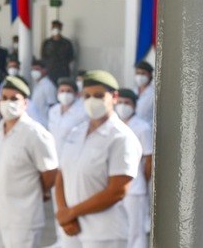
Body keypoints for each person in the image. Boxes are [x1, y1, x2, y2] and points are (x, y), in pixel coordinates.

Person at [55, 70, 143, 248]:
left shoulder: (121, 137)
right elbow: (61, 175)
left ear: (114, 97)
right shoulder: (76, 132)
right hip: (72, 229)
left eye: (98, 95)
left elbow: (117, 191)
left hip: (105, 234)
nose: (91, 101)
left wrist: (71, 212)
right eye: (87, 96)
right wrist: (64, 213)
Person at [0, 76, 58, 248]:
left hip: (23, 218)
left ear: (25, 103)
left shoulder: (35, 133)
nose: (8, 103)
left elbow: (50, 173)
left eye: (14, 99)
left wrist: (36, 191)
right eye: (4, 98)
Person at [47, 77, 87, 244]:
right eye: (62, 91)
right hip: (54, 162)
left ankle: (72, 240)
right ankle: (60, 238)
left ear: (76, 94)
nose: (65, 94)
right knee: (57, 202)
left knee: (70, 200)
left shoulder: (82, 112)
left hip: (70, 163)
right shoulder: (54, 110)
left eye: (69, 91)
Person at [115, 89, 153, 248]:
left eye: (127, 103)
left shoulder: (142, 127)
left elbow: (149, 158)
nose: (123, 106)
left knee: (136, 231)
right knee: (119, 228)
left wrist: (142, 180)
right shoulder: (113, 125)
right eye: (120, 103)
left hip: (135, 187)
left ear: (134, 105)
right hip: (114, 187)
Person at [41, 20, 75, 84]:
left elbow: (71, 57)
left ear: (61, 29)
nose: (56, 30)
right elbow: (43, 57)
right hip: (50, 71)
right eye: (54, 28)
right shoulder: (47, 43)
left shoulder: (66, 43)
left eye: (58, 28)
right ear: (51, 29)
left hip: (63, 72)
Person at [28, 59, 57, 129]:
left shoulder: (48, 86)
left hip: (45, 124)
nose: (34, 72)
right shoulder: (37, 85)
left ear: (44, 70)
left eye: (37, 69)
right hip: (36, 123)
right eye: (33, 70)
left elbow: (52, 106)